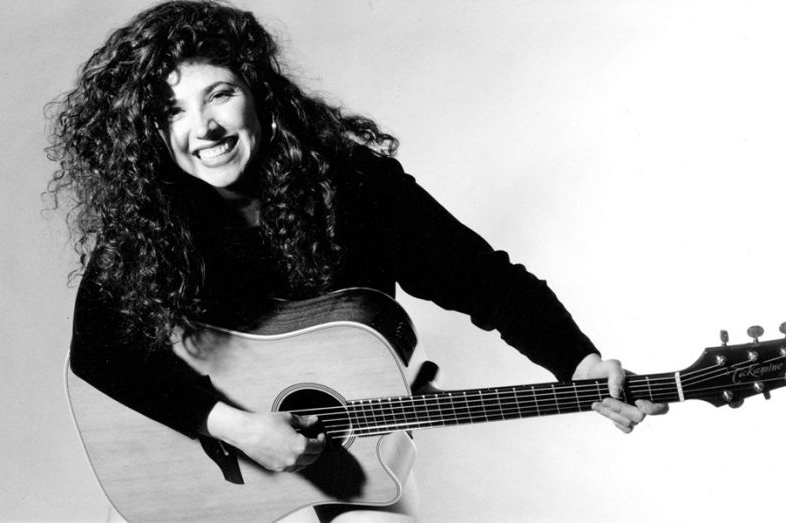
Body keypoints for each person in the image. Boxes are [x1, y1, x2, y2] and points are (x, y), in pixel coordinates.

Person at [47, 1, 667, 521]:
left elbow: (487, 282)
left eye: (220, 94)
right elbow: (99, 351)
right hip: (208, 462)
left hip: (358, 448)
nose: (203, 127)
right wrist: (231, 425)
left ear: (258, 92)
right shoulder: (154, 218)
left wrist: (579, 362)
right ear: (150, 133)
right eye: (172, 111)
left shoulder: (354, 185)